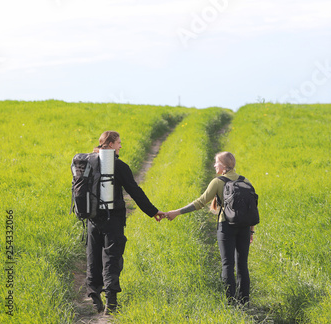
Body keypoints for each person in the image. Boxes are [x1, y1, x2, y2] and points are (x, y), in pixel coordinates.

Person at [86, 130, 165, 315]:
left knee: (93, 256)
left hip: (92, 218)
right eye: (119, 142)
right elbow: (135, 192)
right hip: (113, 219)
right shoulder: (119, 166)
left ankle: (94, 294)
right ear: (111, 144)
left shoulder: (87, 162)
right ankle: (111, 302)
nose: (121, 146)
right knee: (112, 258)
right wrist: (153, 211)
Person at [164, 151, 256, 306]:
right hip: (244, 227)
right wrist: (251, 231)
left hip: (226, 226)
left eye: (216, 162)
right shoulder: (246, 181)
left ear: (224, 165)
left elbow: (200, 202)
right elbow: (252, 209)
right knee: (242, 264)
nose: (214, 165)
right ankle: (244, 302)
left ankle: (230, 302)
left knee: (227, 264)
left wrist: (177, 212)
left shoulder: (218, 182)